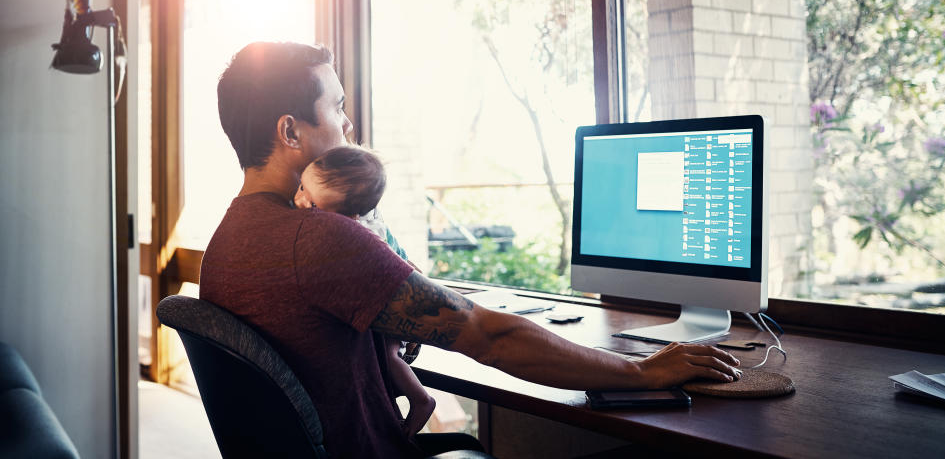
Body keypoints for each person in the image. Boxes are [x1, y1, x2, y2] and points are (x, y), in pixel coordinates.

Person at [200, 41, 741, 459]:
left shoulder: (225, 242)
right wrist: (641, 372)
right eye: (337, 107)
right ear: (290, 131)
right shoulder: (318, 238)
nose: (349, 124)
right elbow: (490, 336)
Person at [294, 144, 436, 438]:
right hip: (398, 287)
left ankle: (421, 400)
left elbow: (400, 273)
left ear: (350, 219)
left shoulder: (362, 237)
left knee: (388, 355)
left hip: (392, 299)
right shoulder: (361, 215)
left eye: (313, 203)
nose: (300, 199)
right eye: (301, 187)